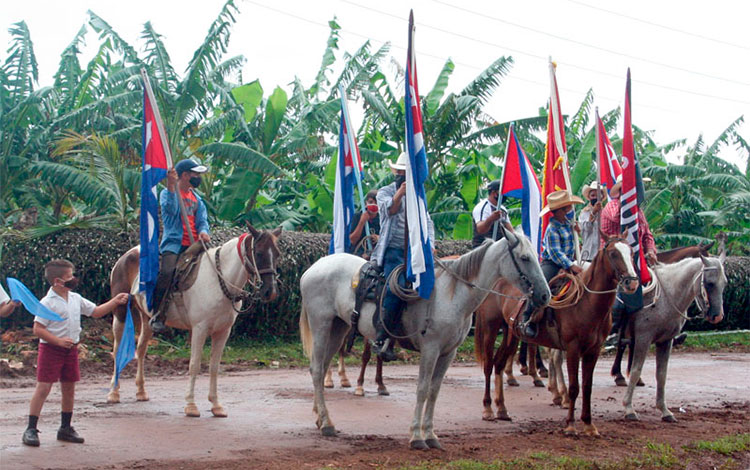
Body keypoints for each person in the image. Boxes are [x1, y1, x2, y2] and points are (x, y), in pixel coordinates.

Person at [22, 259, 129, 447]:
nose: (73, 279)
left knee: (69, 387)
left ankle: (65, 427)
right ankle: (31, 428)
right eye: (69, 277)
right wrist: (58, 341)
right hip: (51, 350)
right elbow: (38, 329)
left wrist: (115, 301)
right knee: (44, 387)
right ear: (57, 281)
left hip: (70, 349)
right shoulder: (47, 303)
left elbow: (95, 311)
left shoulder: (75, 298)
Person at [370, 152, 434, 362]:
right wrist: (400, 194)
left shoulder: (418, 195)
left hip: (414, 250)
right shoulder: (384, 192)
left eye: (405, 173)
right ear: (395, 172)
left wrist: (430, 245)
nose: (402, 175)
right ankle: (383, 336)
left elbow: (427, 222)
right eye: (400, 172)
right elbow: (389, 211)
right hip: (393, 251)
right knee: (394, 288)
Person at [150, 159, 211, 333]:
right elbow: (170, 210)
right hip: (175, 244)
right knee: (168, 272)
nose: (198, 177)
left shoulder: (197, 199)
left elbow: (202, 221)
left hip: (193, 244)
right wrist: (171, 187)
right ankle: (157, 314)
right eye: (196, 174)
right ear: (185, 175)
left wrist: (204, 231)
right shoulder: (167, 194)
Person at [600, 175, 662, 344]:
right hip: (613, 257)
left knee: (660, 284)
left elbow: (647, 233)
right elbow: (615, 217)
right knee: (618, 293)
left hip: (635, 256)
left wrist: (650, 250)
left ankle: (662, 328)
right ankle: (613, 331)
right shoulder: (612, 206)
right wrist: (625, 201)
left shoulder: (638, 212)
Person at [522, 190, 584, 338]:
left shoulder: (569, 225)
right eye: (566, 208)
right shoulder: (552, 229)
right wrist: (570, 265)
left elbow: (575, 246)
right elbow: (556, 252)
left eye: (569, 207)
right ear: (557, 212)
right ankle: (527, 318)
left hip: (570, 262)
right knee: (540, 286)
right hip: (553, 264)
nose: (569, 211)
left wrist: (578, 235)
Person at [472, 180, 513, 249]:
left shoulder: (503, 209)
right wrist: (491, 219)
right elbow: (480, 229)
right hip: (483, 247)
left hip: (499, 247)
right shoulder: (482, 207)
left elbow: (510, 230)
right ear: (494, 193)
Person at [349, 189, 380, 259]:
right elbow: (352, 240)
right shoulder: (358, 216)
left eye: (377, 203)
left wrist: (379, 238)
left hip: (375, 255)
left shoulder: (381, 219)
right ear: (366, 203)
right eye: (371, 202)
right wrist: (362, 222)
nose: (374, 205)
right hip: (358, 254)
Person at [579, 181, 605, 262]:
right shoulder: (584, 213)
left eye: (598, 195)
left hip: (602, 253)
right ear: (589, 197)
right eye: (593, 195)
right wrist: (593, 213)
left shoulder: (606, 213)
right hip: (588, 253)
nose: (595, 197)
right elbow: (585, 229)